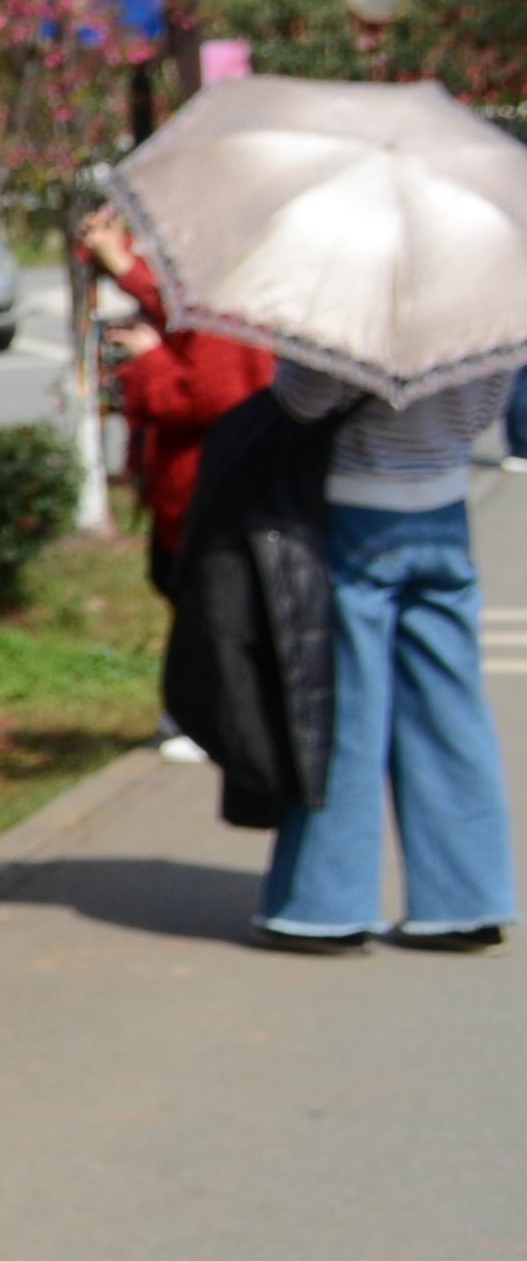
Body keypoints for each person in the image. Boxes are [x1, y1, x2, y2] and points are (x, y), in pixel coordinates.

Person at [246, 351, 516, 955]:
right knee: (453, 711)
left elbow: (302, 401)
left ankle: (325, 905)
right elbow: (484, 414)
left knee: (343, 708)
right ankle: (467, 901)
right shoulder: (497, 301)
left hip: (353, 504)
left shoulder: (356, 299)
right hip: (445, 506)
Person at [83, 207, 278, 583]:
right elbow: (184, 311)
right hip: (204, 499)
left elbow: (204, 394)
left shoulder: (229, 279)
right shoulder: (226, 266)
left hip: (212, 505)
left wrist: (150, 360)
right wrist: (122, 263)